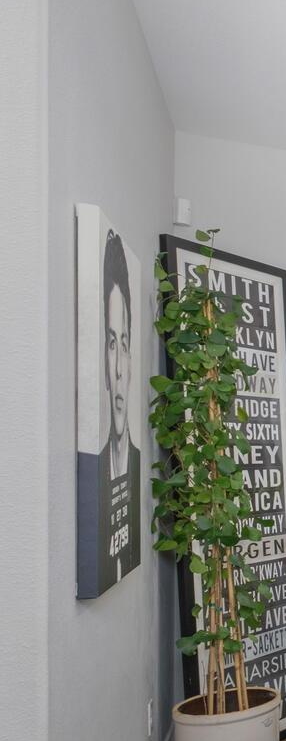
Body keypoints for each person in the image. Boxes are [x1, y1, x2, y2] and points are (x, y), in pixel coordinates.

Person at [82, 229, 141, 595]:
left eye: (123, 344)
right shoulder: (95, 470)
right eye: (109, 343)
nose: (118, 368)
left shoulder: (134, 465)